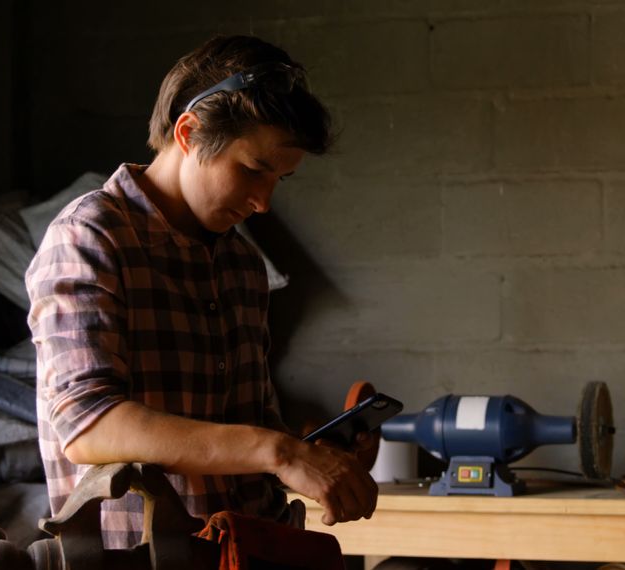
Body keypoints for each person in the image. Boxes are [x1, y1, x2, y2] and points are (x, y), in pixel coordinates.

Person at [25, 35, 377, 549]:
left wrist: (320, 457)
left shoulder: (242, 264)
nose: (262, 202)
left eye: (280, 179)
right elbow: (87, 428)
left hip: (252, 549)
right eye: (254, 169)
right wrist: (279, 452)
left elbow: (250, 431)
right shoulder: (89, 236)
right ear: (189, 133)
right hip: (138, 560)